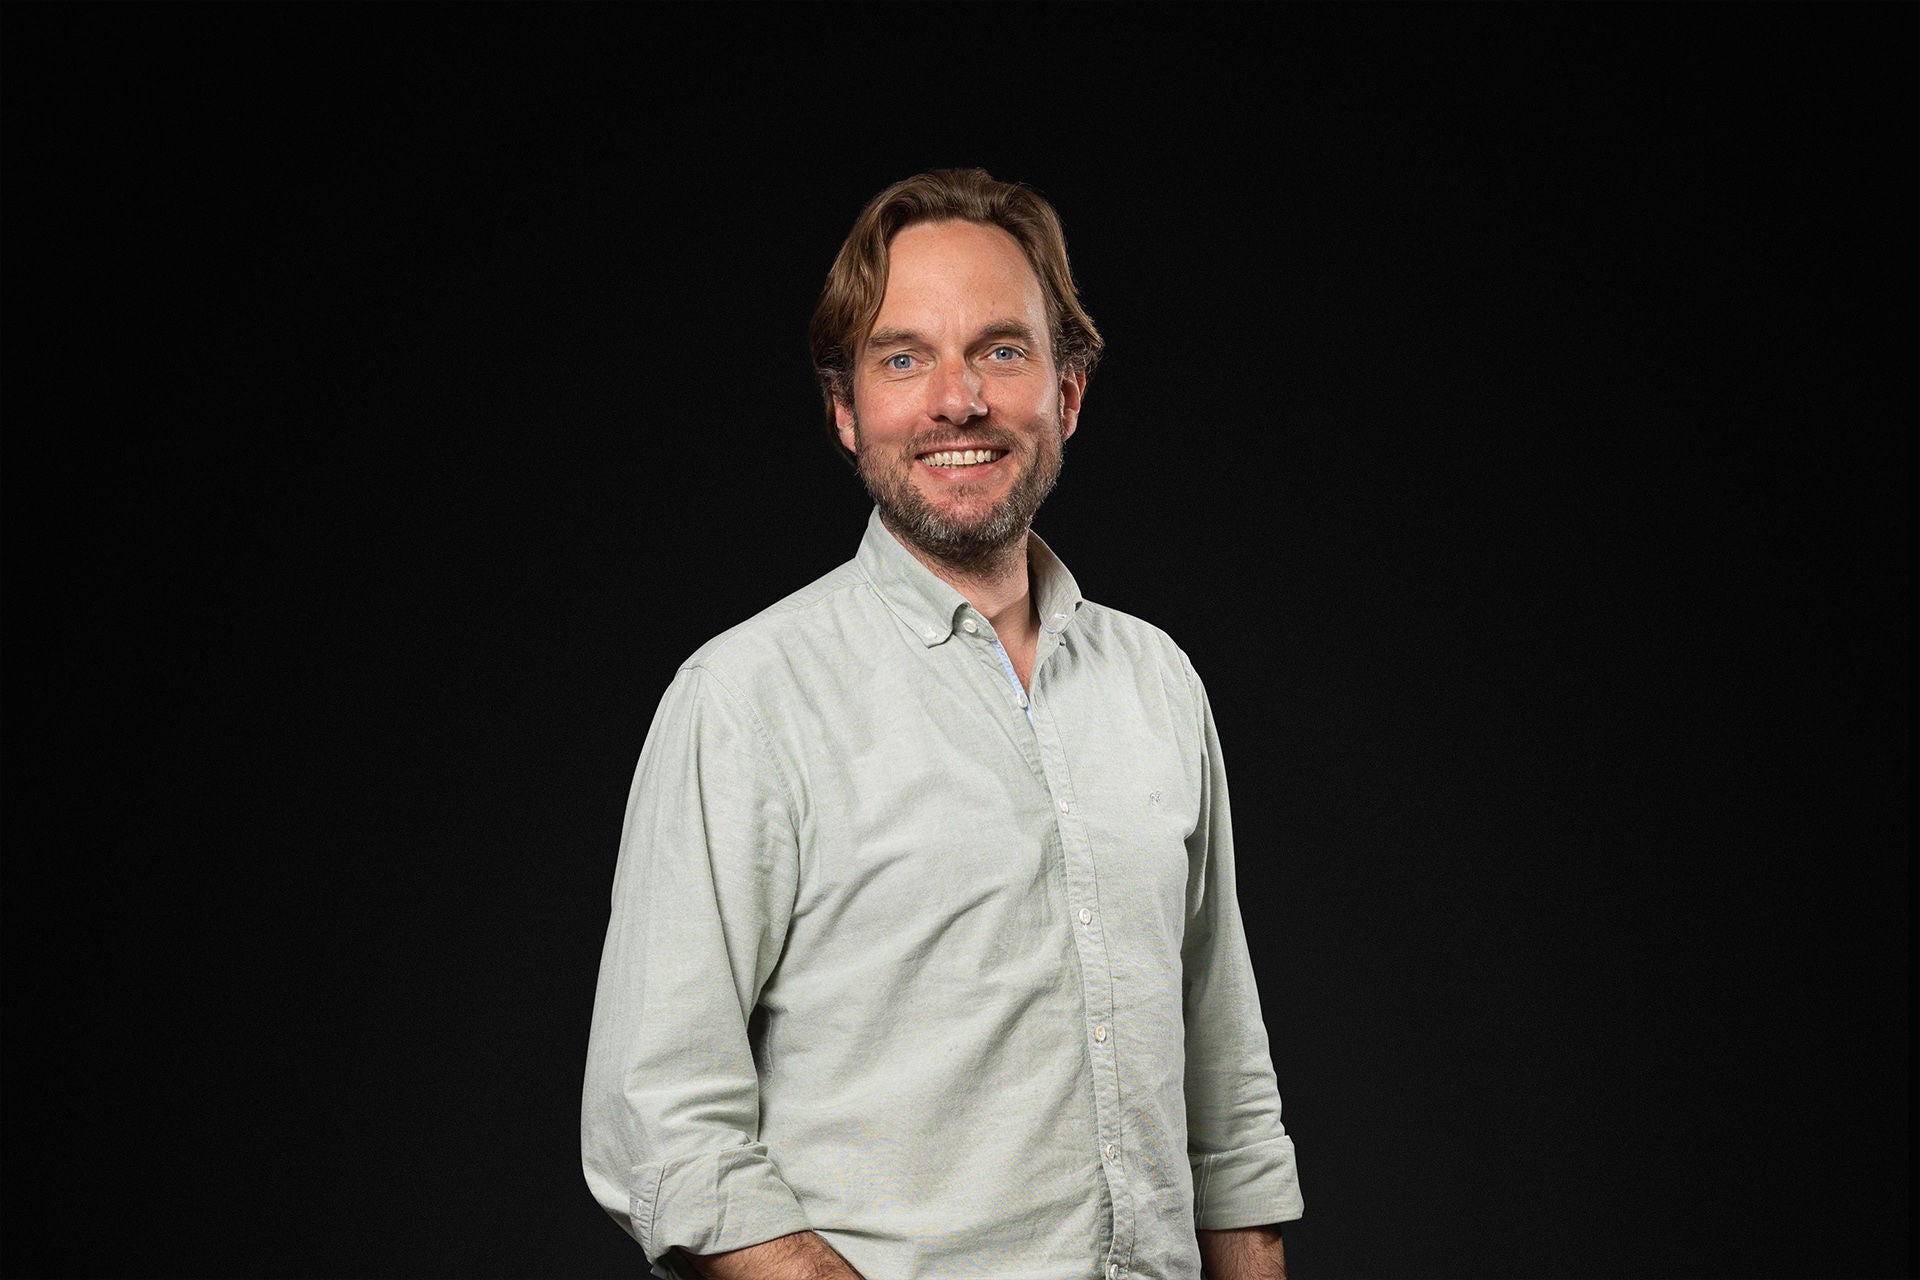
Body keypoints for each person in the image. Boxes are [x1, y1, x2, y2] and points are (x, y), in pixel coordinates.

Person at [581, 168, 1304, 1280]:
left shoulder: (1157, 683)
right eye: (903, 358)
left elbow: (1229, 1103)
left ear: (1068, 392)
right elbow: (664, 1125)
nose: (957, 401)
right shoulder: (744, 700)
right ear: (844, 410)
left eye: (1002, 351)